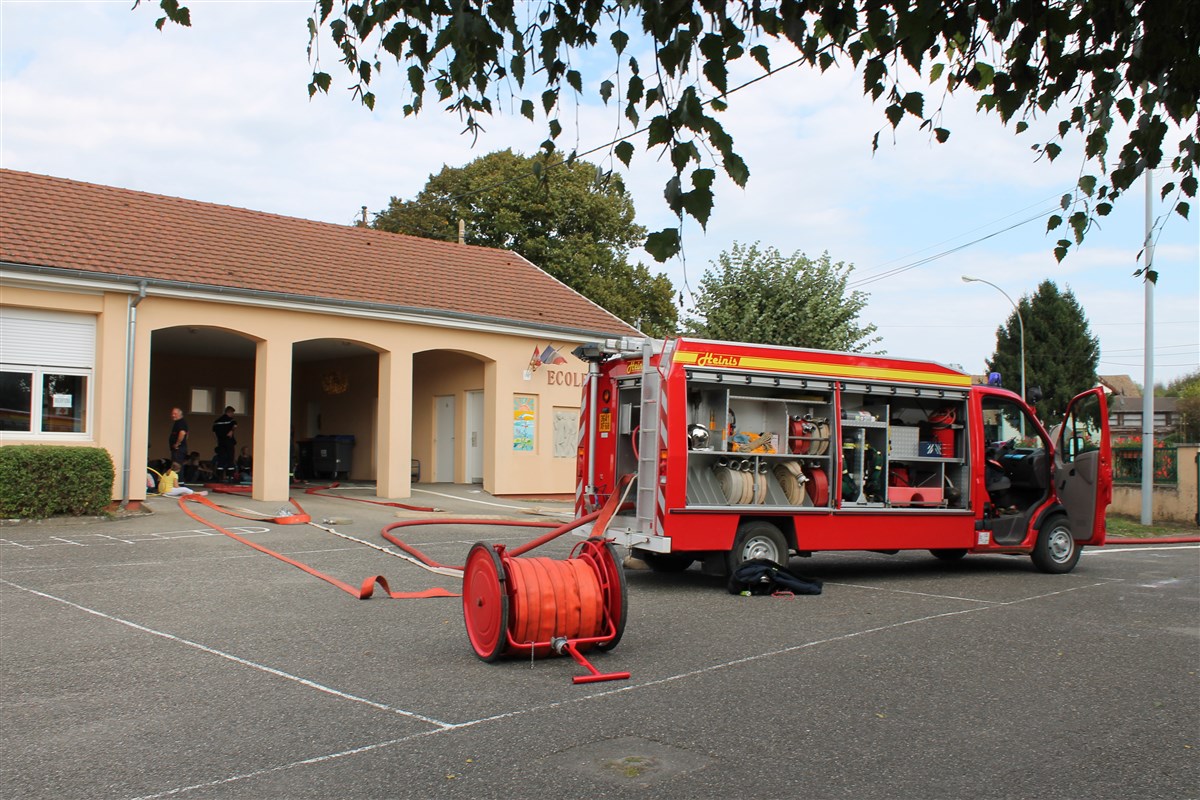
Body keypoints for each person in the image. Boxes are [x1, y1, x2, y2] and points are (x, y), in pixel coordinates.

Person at [212, 405, 238, 482]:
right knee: (230, 459)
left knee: (221, 460)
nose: (233, 415)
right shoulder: (230, 420)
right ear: (229, 412)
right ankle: (230, 477)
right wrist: (231, 431)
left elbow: (214, 431)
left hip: (220, 443)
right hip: (228, 442)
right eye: (232, 413)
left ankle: (220, 477)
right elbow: (235, 425)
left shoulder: (217, 421)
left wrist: (218, 438)